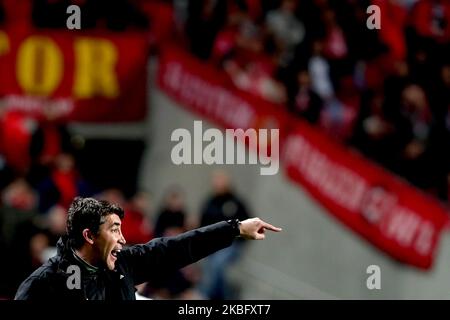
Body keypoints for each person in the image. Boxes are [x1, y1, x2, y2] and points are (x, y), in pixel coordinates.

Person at [14, 197, 281, 300]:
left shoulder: (123, 262)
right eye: (114, 230)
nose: (122, 239)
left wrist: (233, 229)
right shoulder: (43, 284)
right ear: (89, 236)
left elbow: (176, 248)